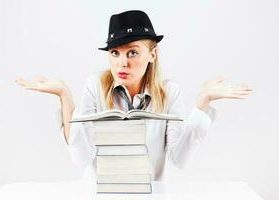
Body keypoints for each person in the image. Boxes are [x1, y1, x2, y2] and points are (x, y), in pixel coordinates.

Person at [15, 10, 252, 180]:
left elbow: (180, 159)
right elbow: (81, 159)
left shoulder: (169, 92)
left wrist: (203, 102)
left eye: (133, 53)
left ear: (153, 54)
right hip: (99, 194)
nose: (122, 64)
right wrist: (65, 97)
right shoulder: (95, 86)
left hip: (150, 195)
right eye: (115, 53)